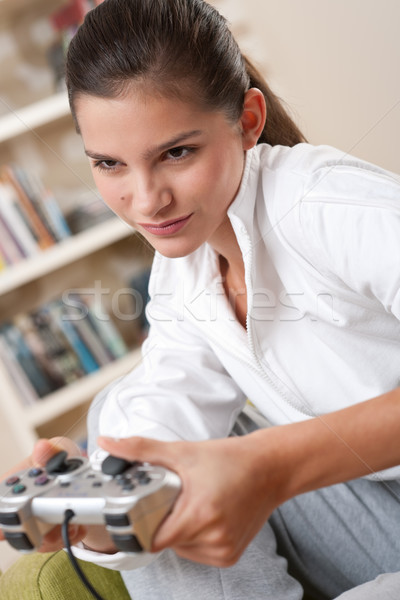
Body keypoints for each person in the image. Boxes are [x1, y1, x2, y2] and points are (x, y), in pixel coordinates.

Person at [2, 0, 400, 598]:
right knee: (128, 431)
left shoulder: (329, 207)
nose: (145, 200)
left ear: (248, 120)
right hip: (366, 514)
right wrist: (98, 513)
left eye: (176, 153)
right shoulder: (182, 269)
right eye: (109, 164)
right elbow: (163, 413)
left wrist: (269, 465)